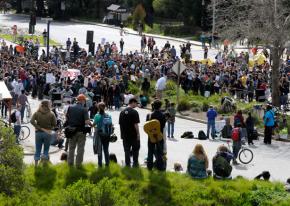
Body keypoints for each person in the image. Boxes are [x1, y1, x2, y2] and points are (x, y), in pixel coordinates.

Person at [66, 94, 92, 168]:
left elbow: (67, 117)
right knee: (80, 148)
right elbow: (87, 122)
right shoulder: (84, 109)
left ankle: (70, 164)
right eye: (85, 100)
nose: (85, 102)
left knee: (71, 148)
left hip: (71, 130)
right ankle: (78, 165)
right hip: (81, 131)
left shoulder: (70, 107)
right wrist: (91, 124)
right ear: (82, 100)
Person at [30, 100, 57, 166]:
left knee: (38, 149)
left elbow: (31, 121)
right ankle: (44, 164)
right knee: (46, 149)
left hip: (38, 133)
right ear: (48, 105)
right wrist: (50, 127)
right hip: (47, 133)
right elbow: (55, 124)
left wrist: (39, 127)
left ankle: (36, 165)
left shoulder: (37, 112)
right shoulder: (51, 113)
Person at [119, 98, 140, 167]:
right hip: (133, 135)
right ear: (133, 102)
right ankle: (135, 163)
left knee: (127, 150)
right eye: (136, 103)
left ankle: (127, 164)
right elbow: (136, 125)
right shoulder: (134, 112)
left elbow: (120, 124)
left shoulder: (122, 112)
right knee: (135, 150)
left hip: (125, 135)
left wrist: (122, 134)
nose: (136, 105)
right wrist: (138, 134)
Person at [146, 100, 167, 171]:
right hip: (159, 136)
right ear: (160, 106)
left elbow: (146, 126)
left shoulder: (149, 115)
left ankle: (149, 167)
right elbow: (163, 126)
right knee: (159, 152)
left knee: (150, 152)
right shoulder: (163, 115)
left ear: (153, 106)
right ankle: (160, 167)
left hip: (151, 136)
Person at [93, 102, 113, 167]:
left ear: (98, 108)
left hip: (99, 134)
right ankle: (107, 164)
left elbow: (94, 124)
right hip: (107, 135)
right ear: (105, 107)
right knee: (106, 150)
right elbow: (111, 125)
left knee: (99, 150)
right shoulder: (108, 115)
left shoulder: (97, 115)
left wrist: (90, 124)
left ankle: (100, 164)